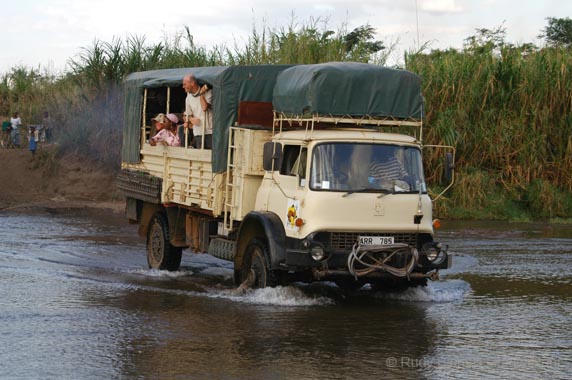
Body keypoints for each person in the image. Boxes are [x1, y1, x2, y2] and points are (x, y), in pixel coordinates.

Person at [182, 74, 213, 149]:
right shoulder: (188, 98)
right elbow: (187, 115)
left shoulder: (209, 93)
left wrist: (201, 94)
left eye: (185, 84)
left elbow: (204, 107)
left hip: (210, 132)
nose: (183, 87)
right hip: (198, 132)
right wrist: (190, 119)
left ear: (192, 83)